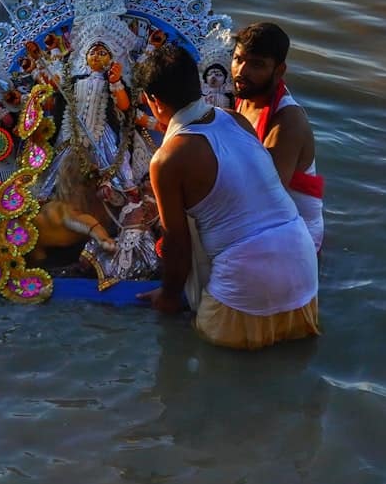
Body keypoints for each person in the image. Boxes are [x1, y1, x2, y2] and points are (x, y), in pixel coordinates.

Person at [135, 43, 319, 349]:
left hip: (245, 283)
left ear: (153, 102)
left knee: (209, 364)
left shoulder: (167, 160)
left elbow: (177, 244)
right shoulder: (236, 119)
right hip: (303, 268)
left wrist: (168, 298)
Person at [231, 22, 325, 253]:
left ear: (279, 70)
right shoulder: (246, 94)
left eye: (257, 65)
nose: (242, 71)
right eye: (238, 59)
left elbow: (267, 199)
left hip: (294, 237)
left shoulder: (287, 122)